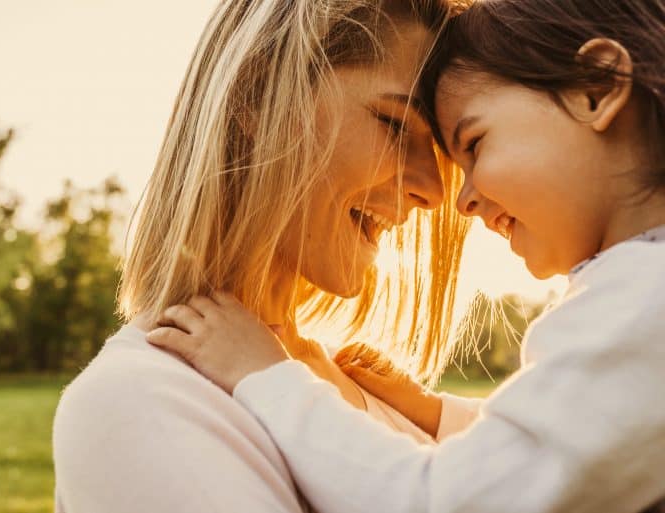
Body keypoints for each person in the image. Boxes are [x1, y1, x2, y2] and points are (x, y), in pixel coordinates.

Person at [146, 1, 665, 512]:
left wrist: (267, 377)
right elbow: (566, 458)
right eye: (396, 128)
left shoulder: (636, 302)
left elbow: (445, 502)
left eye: (475, 143)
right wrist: (434, 414)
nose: (456, 200)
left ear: (596, 90)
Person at [52, 1, 475, 512]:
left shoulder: (365, 394)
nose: (434, 190)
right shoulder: (141, 402)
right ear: (258, 97)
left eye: (441, 154)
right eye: (394, 124)